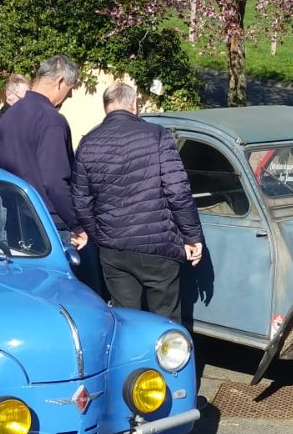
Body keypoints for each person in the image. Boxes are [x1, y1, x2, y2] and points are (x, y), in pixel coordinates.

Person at [71, 82, 203, 318]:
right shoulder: (157, 135)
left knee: (126, 318)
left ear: (106, 107)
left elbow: (81, 200)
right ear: (134, 105)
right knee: (165, 320)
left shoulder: (88, 142)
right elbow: (178, 190)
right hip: (158, 246)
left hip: (113, 249)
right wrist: (192, 236)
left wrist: (99, 236)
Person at [0, 55, 85, 247]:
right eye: (70, 89)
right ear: (59, 82)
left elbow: (0, 171)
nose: (69, 96)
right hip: (49, 224)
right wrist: (77, 225)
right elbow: (55, 182)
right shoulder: (52, 120)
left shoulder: (8, 116)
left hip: (16, 219)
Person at [0, 74, 30, 165]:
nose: (27, 103)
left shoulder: (30, 119)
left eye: (29, 99)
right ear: (9, 95)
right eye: (23, 99)